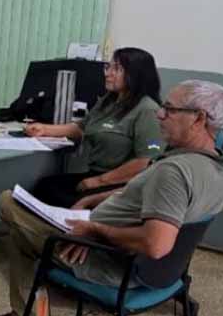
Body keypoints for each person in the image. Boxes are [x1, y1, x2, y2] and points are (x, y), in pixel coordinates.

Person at [0, 80, 223, 316]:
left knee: (8, 203)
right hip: (162, 272)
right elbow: (150, 199)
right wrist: (95, 199)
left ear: (199, 119)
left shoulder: (174, 173)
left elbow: (156, 244)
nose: (160, 114)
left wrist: (95, 230)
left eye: (169, 109)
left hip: (109, 262)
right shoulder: (221, 167)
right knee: (29, 231)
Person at [25, 47, 162, 208]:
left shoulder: (147, 110)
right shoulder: (109, 101)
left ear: (136, 74)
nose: (108, 73)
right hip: (96, 173)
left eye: (116, 69)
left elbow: (145, 162)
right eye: (108, 67)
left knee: (60, 199)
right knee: (43, 187)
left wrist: (99, 181)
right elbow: (82, 127)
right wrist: (45, 129)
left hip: (120, 184)